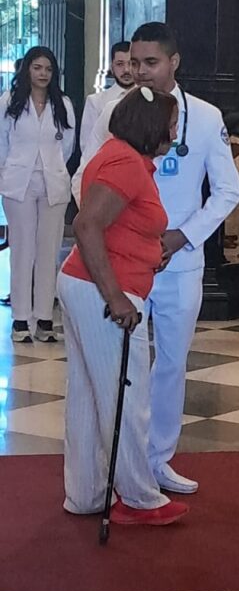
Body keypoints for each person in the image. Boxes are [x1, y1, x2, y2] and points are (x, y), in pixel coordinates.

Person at [73, 22, 239, 494]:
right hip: (122, 262)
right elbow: (84, 177)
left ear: (174, 62)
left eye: (151, 62)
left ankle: (157, 458)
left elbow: (227, 190)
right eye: (135, 62)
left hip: (178, 262)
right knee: (120, 364)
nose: (141, 71)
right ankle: (117, 460)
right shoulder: (111, 111)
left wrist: (182, 237)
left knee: (169, 363)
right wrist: (120, 234)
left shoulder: (205, 118)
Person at [58, 85, 189, 526]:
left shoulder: (123, 156)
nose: (174, 132)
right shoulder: (126, 163)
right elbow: (87, 224)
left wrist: (150, 248)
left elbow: (118, 225)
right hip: (104, 291)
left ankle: (87, 493)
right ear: (150, 127)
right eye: (170, 125)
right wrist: (115, 297)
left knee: (87, 393)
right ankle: (138, 497)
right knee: (125, 394)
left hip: (87, 284)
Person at [0, 46, 75, 343]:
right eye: (37, 68)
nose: (43, 74)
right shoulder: (9, 102)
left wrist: (54, 167)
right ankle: (20, 318)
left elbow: (67, 146)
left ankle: (44, 317)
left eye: (48, 69)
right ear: (27, 70)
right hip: (19, 182)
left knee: (48, 251)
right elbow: (1, 143)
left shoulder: (63, 104)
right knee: (22, 250)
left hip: (53, 183)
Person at [79, 41, 133, 153]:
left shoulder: (149, 99)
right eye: (120, 64)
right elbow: (87, 146)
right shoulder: (95, 102)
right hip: (106, 166)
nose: (126, 70)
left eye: (131, 63)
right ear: (111, 67)